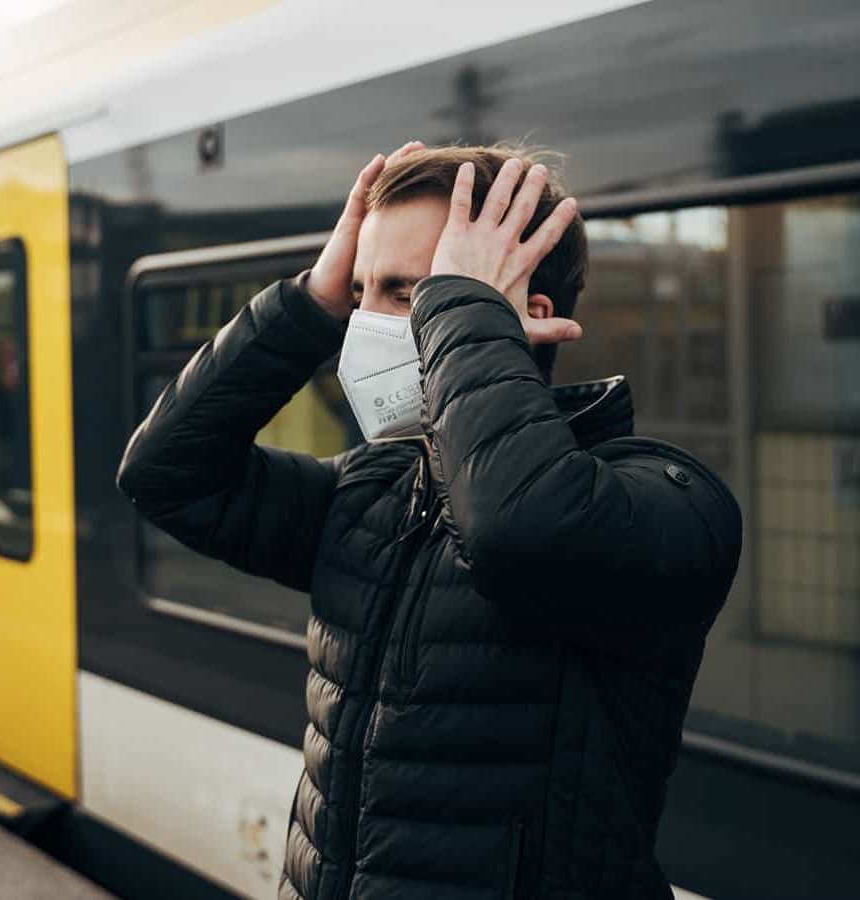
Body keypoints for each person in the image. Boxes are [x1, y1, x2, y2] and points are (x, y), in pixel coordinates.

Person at [117, 142, 742, 900]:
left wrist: (467, 316)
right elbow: (166, 475)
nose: (366, 323)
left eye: (410, 294)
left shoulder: (665, 499)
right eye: (360, 293)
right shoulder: (369, 492)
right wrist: (309, 303)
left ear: (523, 316)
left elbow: (517, 531)